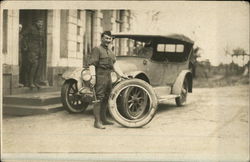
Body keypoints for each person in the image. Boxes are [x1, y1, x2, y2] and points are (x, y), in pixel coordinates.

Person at [88, 31, 127, 129]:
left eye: (109, 39)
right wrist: (93, 77)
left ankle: (104, 119)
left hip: (108, 76)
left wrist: (122, 75)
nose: (108, 40)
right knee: (98, 98)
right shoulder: (97, 49)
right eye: (106, 38)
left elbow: (114, 65)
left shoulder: (111, 52)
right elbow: (92, 64)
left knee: (106, 97)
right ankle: (97, 122)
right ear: (101, 38)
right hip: (100, 75)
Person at [22, 18, 45, 89]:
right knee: (33, 65)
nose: (41, 24)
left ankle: (35, 82)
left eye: (42, 23)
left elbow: (42, 41)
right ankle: (30, 82)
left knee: (38, 67)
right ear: (36, 22)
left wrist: (42, 51)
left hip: (39, 50)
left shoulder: (41, 31)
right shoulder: (31, 28)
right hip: (31, 50)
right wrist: (25, 46)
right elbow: (22, 35)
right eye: (39, 23)